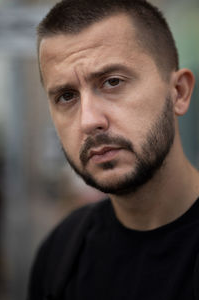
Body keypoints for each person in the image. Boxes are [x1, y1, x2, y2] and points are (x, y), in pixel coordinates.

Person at [27, 0, 199, 299]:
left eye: (112, 82)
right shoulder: (61, 252)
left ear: (179, 93)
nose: (89, 121)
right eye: (67, 96)